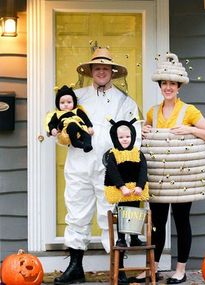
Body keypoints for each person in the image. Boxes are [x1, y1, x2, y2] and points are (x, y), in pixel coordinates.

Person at [128, 52, 205, 284]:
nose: (168, 88)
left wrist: (191, 130)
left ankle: (180, 269)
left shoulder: (189, 111)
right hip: (158, 176)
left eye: (172, 84)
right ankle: (153, 268)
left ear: (179, 86)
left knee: (181, 220)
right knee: (157, 222)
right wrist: (144, 129)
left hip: (182, 178)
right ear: (160, 86)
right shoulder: (152, 112)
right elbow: (143, 138)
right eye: (164, 83)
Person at [54, 47, 141, 285]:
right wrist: (61, 134)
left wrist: (124, 164)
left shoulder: (125, 102)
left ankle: (118, 269)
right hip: (79, 165)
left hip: (110, 170)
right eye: (97, 67)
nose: (101, 71)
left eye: (105, 68)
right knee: (77, 214)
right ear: (91, 70)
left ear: (112, 71)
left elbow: (135, 134)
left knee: (111, 216)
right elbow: (61, 123)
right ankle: (75, 267)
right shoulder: (76, 97)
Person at [104, 118, 149, 284]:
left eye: (127, 137)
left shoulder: (138, 153)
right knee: (123, 213)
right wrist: (121, 187)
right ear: (116, 138)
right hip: (122, 192)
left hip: (135, 191)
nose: (124, 140)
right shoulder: (113, 155)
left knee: (135, 212)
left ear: (132, 137)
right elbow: (113, 171)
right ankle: (122, 237)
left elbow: (143, 170)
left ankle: (135, 236)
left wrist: (140, 186)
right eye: (121, 137)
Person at [46, 85, 94, 152]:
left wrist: (89, 127)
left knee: (86, 134)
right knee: (72, 125)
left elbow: (85, 119)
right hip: (67, 128)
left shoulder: (77, 111)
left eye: (69, 102)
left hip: (79, 126)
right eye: (62, 102)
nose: (66, 104)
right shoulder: (57, 114)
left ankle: (87, 145)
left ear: (74, 102)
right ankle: (75, 142)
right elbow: (52, 123)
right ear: (58, 104)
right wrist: (52, 129)